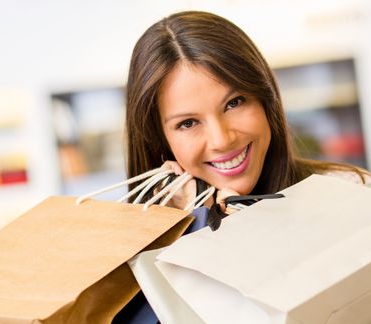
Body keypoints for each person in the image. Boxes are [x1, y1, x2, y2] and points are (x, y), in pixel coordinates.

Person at [125, 11, 370, 208]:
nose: (222, 140)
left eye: (234, 103)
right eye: (188, 123)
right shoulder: (144, 249)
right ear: (159, 139)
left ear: (266, 98)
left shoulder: (349, 191)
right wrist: (196, 227)